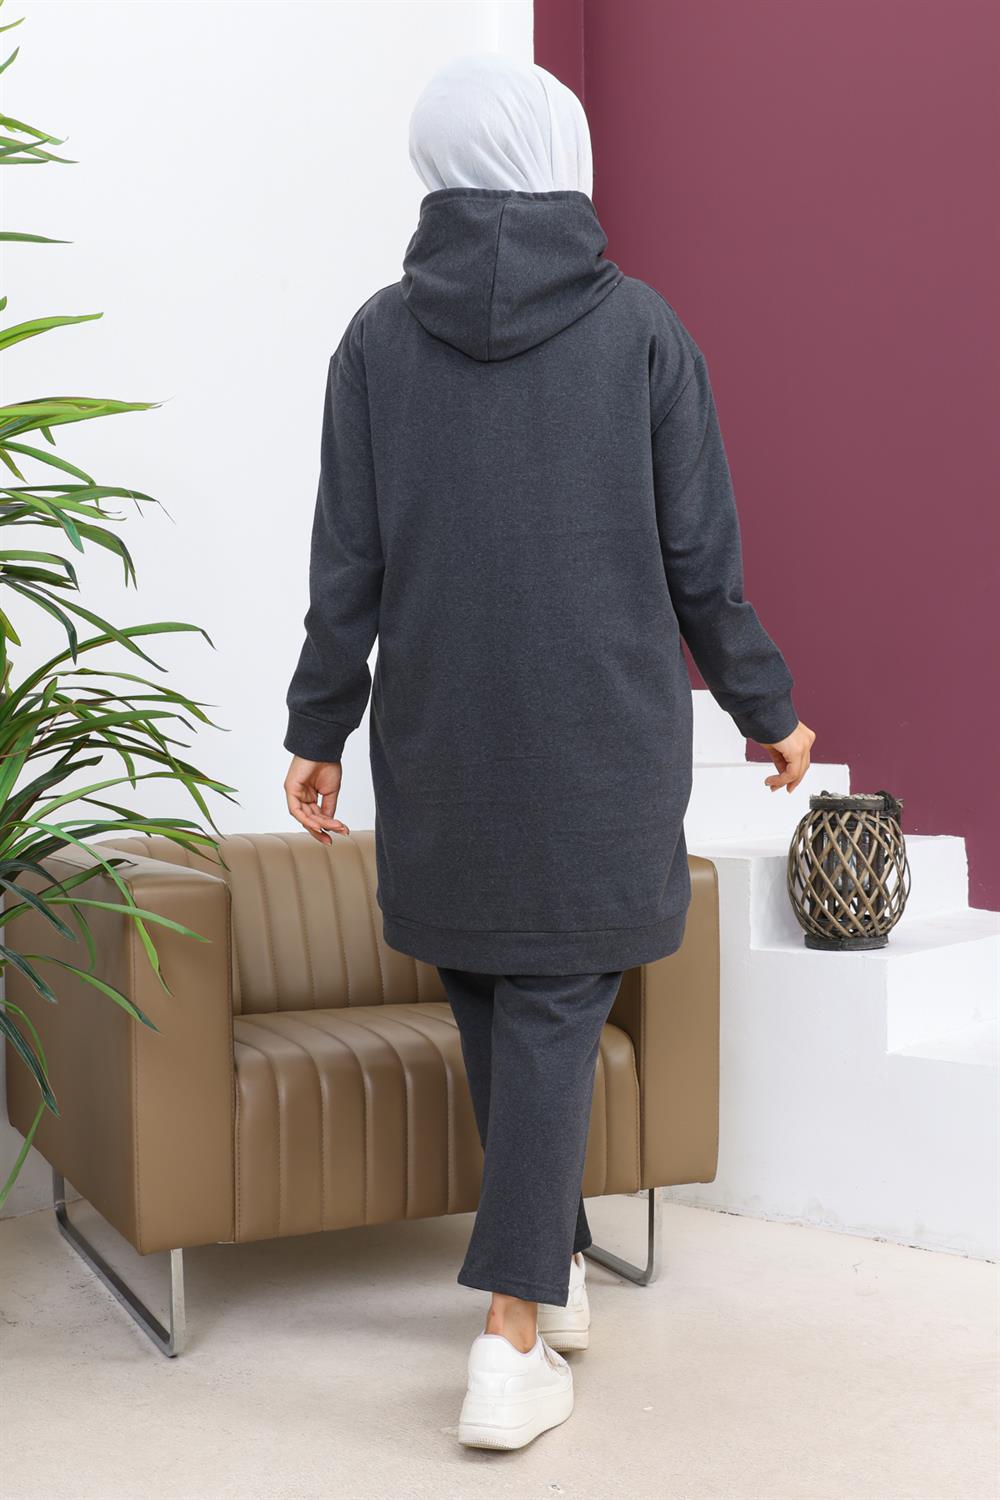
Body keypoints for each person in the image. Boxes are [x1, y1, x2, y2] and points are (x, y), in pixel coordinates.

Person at [283, 51, 815, 1451]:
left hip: (441, 739)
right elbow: (701, 563)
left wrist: (319, 726)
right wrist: (765, 707)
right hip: (596, 743)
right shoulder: (642, 331)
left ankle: (556, 1257)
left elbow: (348, 565)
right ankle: (511, 1334)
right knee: (551, 995)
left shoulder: (376, 340)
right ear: (561, 155)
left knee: (493, 983)